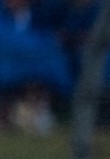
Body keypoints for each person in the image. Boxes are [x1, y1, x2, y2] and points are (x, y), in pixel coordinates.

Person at [0, 0, 71, 133]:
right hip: (7, 65)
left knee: (44, 71)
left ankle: (38, 112)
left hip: (36, 66)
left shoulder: (40, 15)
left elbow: (49, 41)